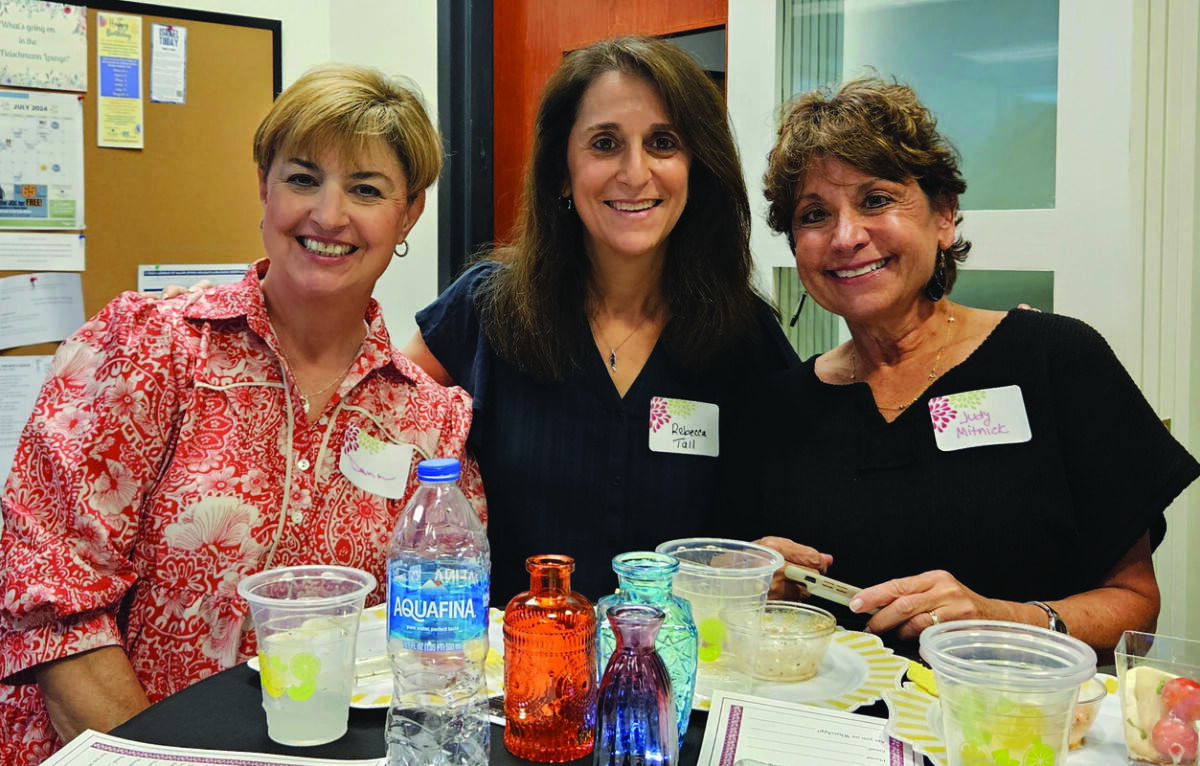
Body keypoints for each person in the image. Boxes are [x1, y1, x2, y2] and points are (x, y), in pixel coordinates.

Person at [0, 64, 484, 765]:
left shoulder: (431, 425)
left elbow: (435, 653)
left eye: (367, 189)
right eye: (301, 177)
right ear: (264, 186)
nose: (328, 213)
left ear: (408, 214)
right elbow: (56, 608)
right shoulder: (147, 351)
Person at [741, 77, 1199, 652]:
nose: (846, 236)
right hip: (828, 729)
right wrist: (754, 584)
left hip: (1009, 731)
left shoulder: (1056, 360)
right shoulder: (776, 407)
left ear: (943, 216)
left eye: (876, 199)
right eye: (813, 214)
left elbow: (1135, 613)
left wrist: (999, 618)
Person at [403, 36, 799, 603]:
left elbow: (791, 507)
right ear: (563, 171)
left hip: (678, 679)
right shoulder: (485, 309)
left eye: (663, 143)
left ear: (697, 167)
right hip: (512, 675)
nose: (635, 173)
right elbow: (382, 419)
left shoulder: (744, 334)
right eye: (605, 143)